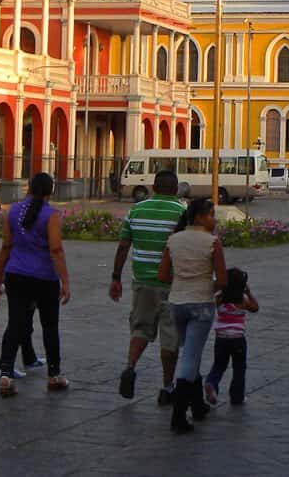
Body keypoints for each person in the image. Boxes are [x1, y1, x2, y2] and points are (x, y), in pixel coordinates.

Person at [109, 169, 186, 405]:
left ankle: (130, 367)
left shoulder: (136, 210)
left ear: (153, 187)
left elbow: (123, 247)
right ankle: (167, 387)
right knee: (169, 338)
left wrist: (115, 278)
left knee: (140, 329)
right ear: (175, 189)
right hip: (172, 284)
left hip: (142, 282)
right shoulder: (182, 212)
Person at [0, 172, 70, 397]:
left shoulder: (12, 211)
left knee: (16, 322)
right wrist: (65, 281)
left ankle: (5, 373)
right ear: (50, 191)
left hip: (15, 274)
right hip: (44, 277)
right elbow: (56, 249)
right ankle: (54, 375)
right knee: (49, 326)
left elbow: (6, 245)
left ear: (28, 188)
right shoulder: (51, 215)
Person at [158, 197, 226, 433]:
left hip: (177, 303)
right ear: (199, 217)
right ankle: (178, 415)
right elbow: (223, 280)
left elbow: (163, 275)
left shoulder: (173, 240)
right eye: (211, 214)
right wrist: (207, 285)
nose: (214, 219)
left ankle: (197, 405)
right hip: (201, 304)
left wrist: (182, 281)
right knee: (190, 357)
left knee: (190, 351)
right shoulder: (212, 242)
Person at [203, 267, 257, 407]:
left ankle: (212, 383)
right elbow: (255, 308)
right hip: (238, 339)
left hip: (221, 338)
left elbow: (209, 305)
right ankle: (237, 397)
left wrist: (218, 290)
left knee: (219, 364)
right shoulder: (243, 299)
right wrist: (249, 293)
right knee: (239, 367)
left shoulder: (220, 298)